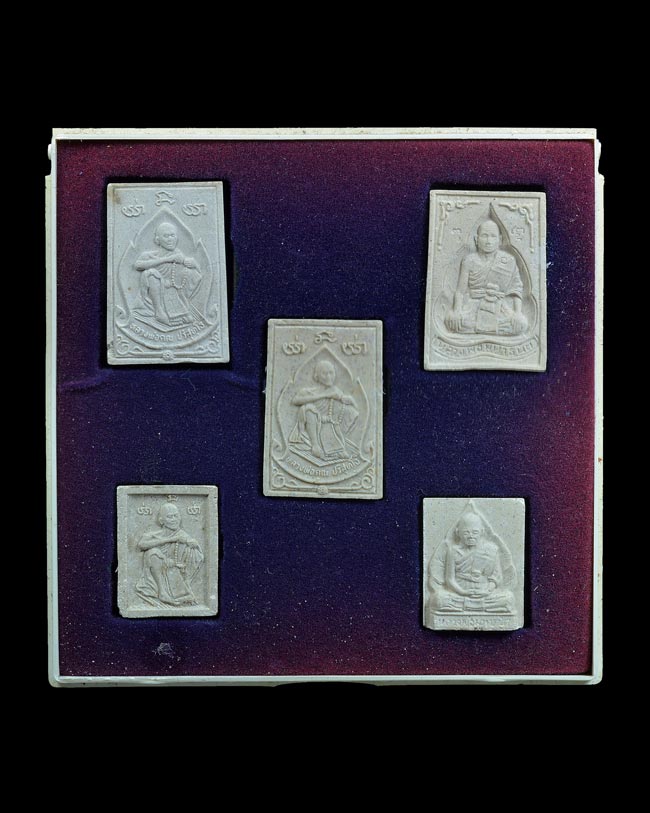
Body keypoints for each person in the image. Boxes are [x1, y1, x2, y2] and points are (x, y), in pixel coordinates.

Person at [445, 219, 527, 336]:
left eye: (493, 236)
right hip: (473, 308)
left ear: (499, 240)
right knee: (450, 321)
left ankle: (482, 329)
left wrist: (517, 313)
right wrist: (457, 311)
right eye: (484, 236)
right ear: (476, 239)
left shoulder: (509, 261)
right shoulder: (469, 260)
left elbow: (516, 290)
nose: (489, 241)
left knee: (522, 324)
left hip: (500, 309)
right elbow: (460, 292)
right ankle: (491, 329)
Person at [427, 510, 514, 614]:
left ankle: (469, 607)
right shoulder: (453, 551)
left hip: (484, 593)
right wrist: (462, 592)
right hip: (459, 594)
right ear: (458, 532)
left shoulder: (491, 550)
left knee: (509, 598)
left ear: (482, 532)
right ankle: (480, 607)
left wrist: (487, 591)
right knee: (438, 599)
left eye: (475, 532)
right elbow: (450, 579)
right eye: (466, 532)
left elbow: (496, 577)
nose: (471, 536)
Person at [135, 502, 203, 607]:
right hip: (156, 571)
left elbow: (197, 555)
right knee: (153, 553)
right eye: (170, 517)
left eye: (176, 516)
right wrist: (171, 539)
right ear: (161, 520)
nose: (174, 519)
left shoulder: (183, 535)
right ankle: (162, 592)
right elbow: (141, 545)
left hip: (175, 570)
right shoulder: (153, 535)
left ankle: (181, 592)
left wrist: (192, 545)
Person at [134, 222, 202, 327]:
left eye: (172, 235)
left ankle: (180, 312)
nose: (170, 239)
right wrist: (167, 259)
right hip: (154, 292)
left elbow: (192, 273)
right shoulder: (148, 255)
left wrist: (195, 265)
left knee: (190, 273)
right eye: (166, 236)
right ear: (157, 240)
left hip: (173, 289)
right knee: (151, 274)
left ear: (177, 238)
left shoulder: (178, 254)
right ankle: (159, 312)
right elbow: (138, 266)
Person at [289, 360, 359, 460]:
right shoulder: (307, 391)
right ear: (317, 376)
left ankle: (338, 448)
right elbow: (295, 401)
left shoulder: (335, 390)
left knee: (340, 409)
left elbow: (345, 401)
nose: (328, 376)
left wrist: (351, 401)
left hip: (329, 422)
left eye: (331, 373)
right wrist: (325, 395)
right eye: (324, 373)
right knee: (309, 409)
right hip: (311, 424)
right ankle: (315, 445)